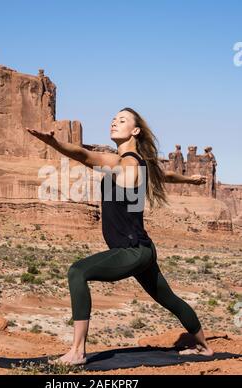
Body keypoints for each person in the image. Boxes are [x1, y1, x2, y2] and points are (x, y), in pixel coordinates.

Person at [25, 107, 214, 366]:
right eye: (113, 119)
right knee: (168, 298)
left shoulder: (121, 162)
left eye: (122, 120)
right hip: (143, 248)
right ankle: (204, 347)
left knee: (77, 272)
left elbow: (82, 154)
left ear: (135, 131)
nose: (114, 122)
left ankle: (77, 351)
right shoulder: (143, 163)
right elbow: (166, 174)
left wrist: (54, 142)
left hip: (132, 250)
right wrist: (190, 181)